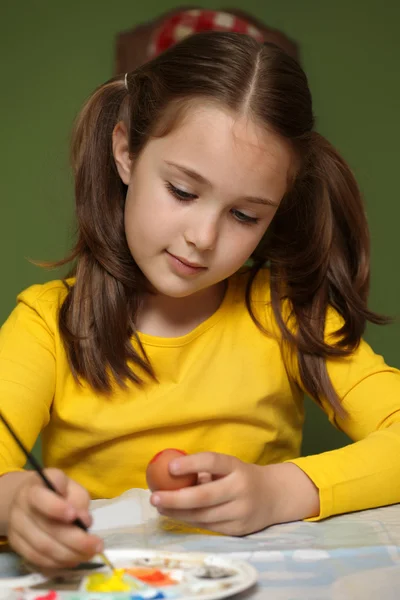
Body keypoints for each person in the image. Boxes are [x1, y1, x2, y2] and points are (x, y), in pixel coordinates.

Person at [0, 31, 399, 570]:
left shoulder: (283, 315)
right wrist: (14, 505)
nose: (203, 238)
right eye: (184, 192)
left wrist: (280, 492)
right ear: (126, 153)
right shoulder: (48, 325)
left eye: (245, 215)